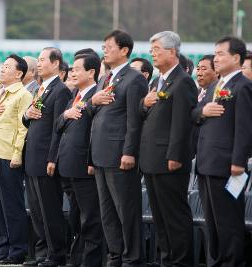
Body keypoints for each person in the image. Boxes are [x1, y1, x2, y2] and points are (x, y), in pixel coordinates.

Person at [88, 29, 148, 267]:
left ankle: (132, 258)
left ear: (124, 50)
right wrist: (93, 100)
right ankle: (115, 256)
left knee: (126, 212)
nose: (105, 50)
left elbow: (135, 120)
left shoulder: (135, 79)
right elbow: (93, 113)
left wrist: (129, 152)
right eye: (104, 47)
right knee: (107, 213)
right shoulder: (105, 79)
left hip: (120, 154)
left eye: (109, 46)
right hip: (100, 153)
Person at [139, 31, 197, 266]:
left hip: (169, 159)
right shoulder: (157, 81)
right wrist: (143, 103)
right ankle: (166, 260)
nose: (152, 54)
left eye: (157, 50)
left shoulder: (182, 81)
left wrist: (175, 155)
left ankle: (180, 261)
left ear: (172, 52)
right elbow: (146, 114)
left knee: (174, 216)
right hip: (152, 157)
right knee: (160, 216)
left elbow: (182, 122)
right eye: (151, 50)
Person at [193, 36, 252, 266]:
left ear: (236, 58)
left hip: (227, 165)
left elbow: (245, 128)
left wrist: (238, 162)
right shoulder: (216, 86)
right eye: (215, 54)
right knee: (212, 224)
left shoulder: (243, 86)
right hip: (206, 162)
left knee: (228, 224)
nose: (215, 58)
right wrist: (203, 112)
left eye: (220, 54)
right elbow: (194, 114)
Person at [22, 47, 72, 267]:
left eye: (43, 60)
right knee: (36, 210)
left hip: (45, 158)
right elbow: (30, 121)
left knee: (49, 209)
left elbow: (58, 128)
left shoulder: (60, 90)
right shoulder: (40, 89)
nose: (39, 64)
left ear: (55, 63)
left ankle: (56, 254)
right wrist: (26, 114)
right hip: (31, 155)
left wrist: (53, 157)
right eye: (39, 60)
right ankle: (42, 253)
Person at [0, 54, 32, 264]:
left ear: (19, 73)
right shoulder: (0, 93)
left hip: (8, 156)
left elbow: (23, 128)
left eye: (7, 67)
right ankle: (2, 249)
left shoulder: (23, 95)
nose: (2, 70)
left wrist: (17, 155)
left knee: (12, 205)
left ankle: (17, 249)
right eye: (2, 66)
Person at [56, 53, 103, 267]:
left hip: (85, 166)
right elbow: (58, 125)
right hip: (68, 165)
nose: (72, 73)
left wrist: (91, 161)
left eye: (76, 69)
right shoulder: (74, 93)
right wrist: (66, 114)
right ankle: (76, 259)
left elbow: (95, 130)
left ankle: (89, 261)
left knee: (90, 219)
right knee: (75, 218)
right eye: (72, 69)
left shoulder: (96, 94)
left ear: (91, 72)